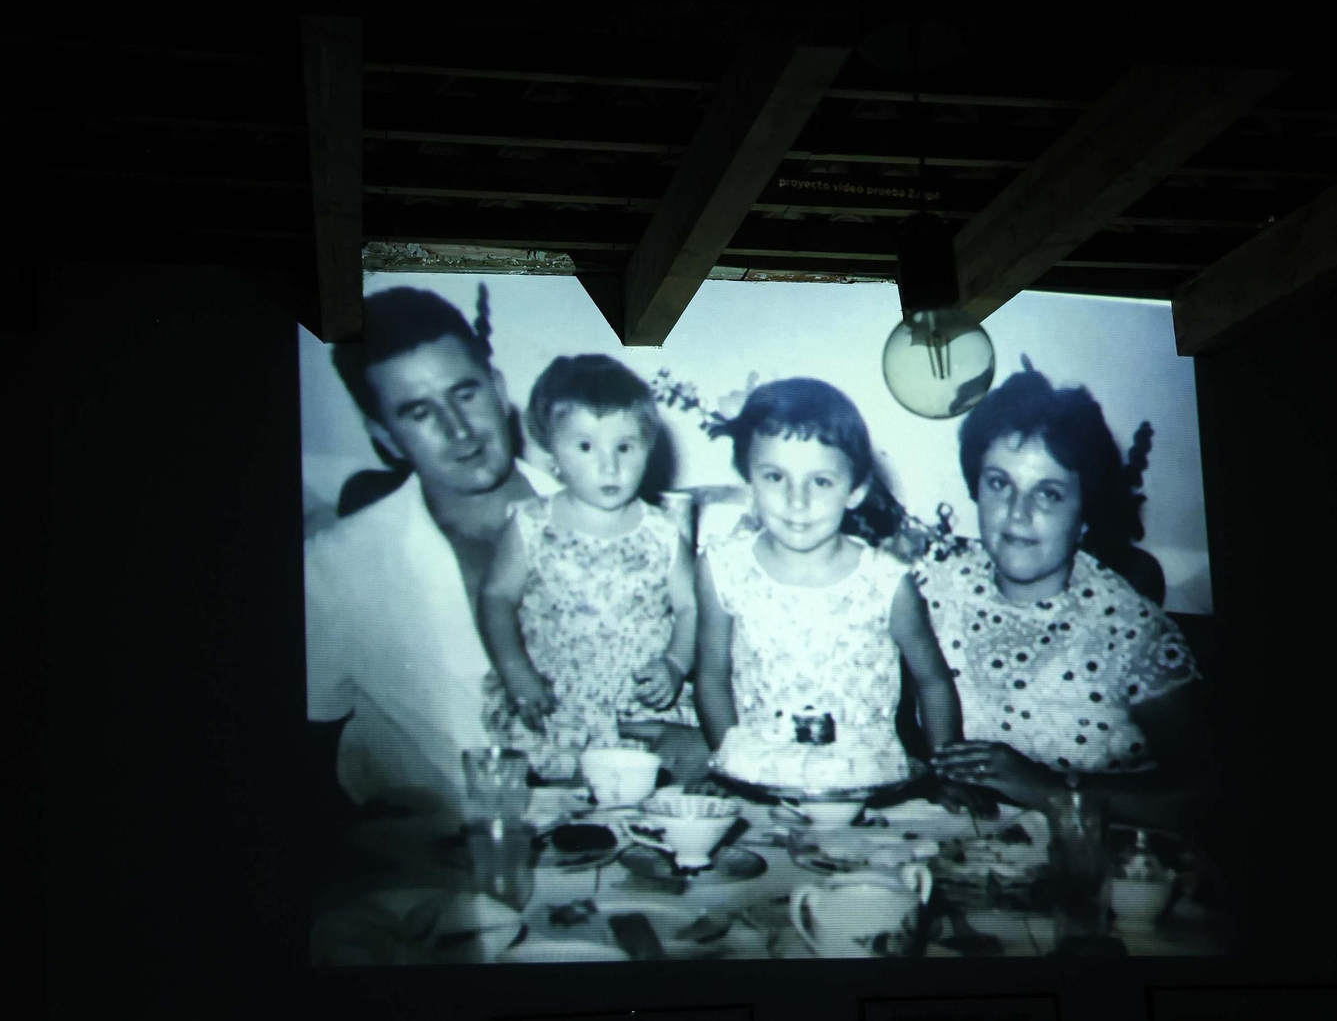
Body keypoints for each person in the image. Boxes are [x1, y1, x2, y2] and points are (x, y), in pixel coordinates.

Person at [304, 287, 562, 815]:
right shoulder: (333, 566)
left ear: (497, 387)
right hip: (435, 876)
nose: (459, 430)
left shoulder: (626, 529)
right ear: (386, 436)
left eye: (465, 393)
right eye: (419, 412)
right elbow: (303, 757)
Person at [921, 366, 1210, 827]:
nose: (1018, 514)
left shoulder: (1130, 631)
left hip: (1098, 878)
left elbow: (1208, 793)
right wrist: (932, 776)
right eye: (999, 483)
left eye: (1049, 494)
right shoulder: (933, 592)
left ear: (1085, 512)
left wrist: (1055, 791)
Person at [693, 378, 963, 757]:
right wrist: (729, 762)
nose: (797, 501)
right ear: (748, 476)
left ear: (855, 490)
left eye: (820, 482)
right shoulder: (723, 570)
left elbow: (933, 682)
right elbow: (711, 676)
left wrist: (948, 768)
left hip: (865, 781)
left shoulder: (886, 583)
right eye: (775, 477)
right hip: (759, 775)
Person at [477, 355, 701, 781]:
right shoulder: (530, 524)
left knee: (645, 803)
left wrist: (674, 663)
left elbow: (691, 609)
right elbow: (495, 598)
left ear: (648, 450)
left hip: (638, 706)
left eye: (625, 447)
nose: (609, 466)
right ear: (551, 452)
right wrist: (515, 671)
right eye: (585, 447)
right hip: (555, 702)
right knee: (561, 810)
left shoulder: (662, 532)